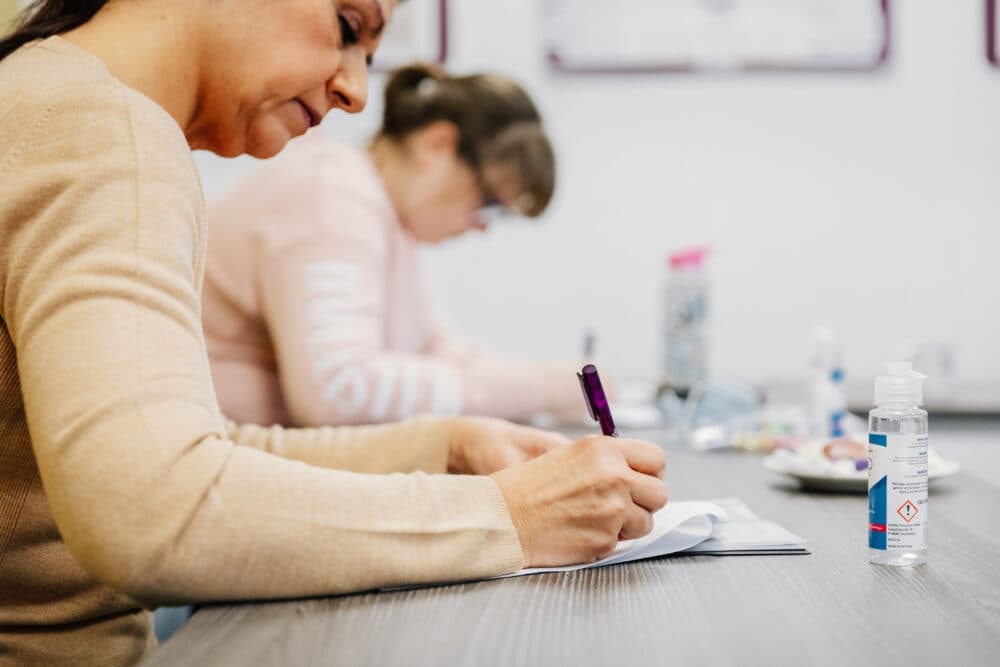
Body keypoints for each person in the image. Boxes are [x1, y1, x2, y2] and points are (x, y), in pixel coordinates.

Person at [0, 1, 668, 665]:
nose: (355, 92)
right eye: (348, 27)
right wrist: (506, 515)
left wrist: (447, 445)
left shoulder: (56, 101)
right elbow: (151, 505)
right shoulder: (106, 133)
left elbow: (187, 451)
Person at [203, 63, 588, 428]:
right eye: (489, 202)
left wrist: (560, 386)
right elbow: (336, 390)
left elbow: (434, 348)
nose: (483, 226)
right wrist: (541, 388)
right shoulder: (334, 195)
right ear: (437, 145)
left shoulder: (387, 219)